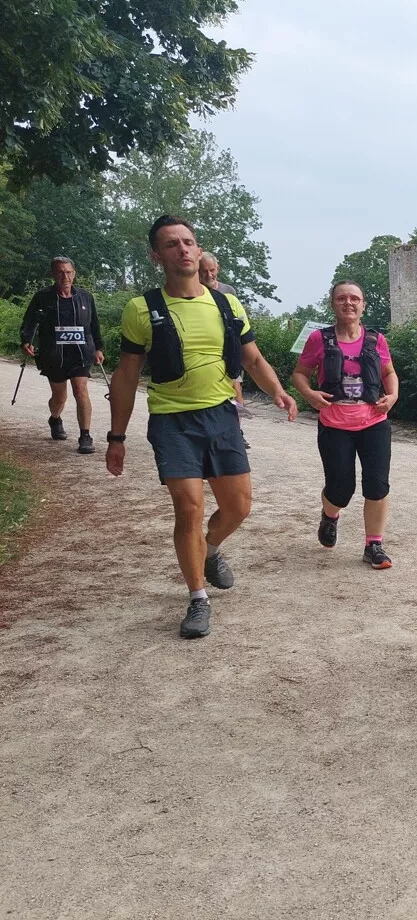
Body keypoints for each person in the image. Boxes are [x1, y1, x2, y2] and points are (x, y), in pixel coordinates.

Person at [106, 215, 298, 640]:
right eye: (172, 244)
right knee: (189, 507)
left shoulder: (226, 305)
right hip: (172, 419)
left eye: (189, 242)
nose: (183, 249)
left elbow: (253, 358)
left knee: (238, 507)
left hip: (221, 414)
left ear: (198, 248)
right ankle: (197, 599)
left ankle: (210, 550)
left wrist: (279, 392)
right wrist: (116, 437)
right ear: (157, 255)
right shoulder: (143, 309)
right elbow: (126, 374)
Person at [291, 281, 400, 569]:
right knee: (341, 489)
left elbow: (389, 372)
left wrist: (392, 397)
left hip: (374, 422)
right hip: (335, 423)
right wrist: (310, 395)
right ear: (332, 304)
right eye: (342, 298)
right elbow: (300, 374)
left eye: (355, 298)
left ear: (364, 304)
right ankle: (330, 516)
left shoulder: (376, 340)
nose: (348, 303)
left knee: (377, 485)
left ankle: (374, 545)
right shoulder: (319, 339)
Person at [19, 257, 106, 453]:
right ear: (53, 274)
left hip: (81, 352)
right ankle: (55, 418)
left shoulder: (85, 297)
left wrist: (98, 348)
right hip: (54, 354)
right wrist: (26, 341)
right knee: (59, 398)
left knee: (81, 391)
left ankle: (85, 436)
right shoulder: (42, 297)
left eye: (68, 272)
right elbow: (29, 322)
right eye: (60, 272)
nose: (64, 276)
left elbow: (94, 325)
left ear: (74, 273)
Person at [199, 252, 249, 444]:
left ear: (217, 269)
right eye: (204, 272)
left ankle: (238, 431)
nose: (209, 276)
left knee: (236, 389)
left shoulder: (229, 291)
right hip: (208, 353)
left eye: (212, 271)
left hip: (231, 350)